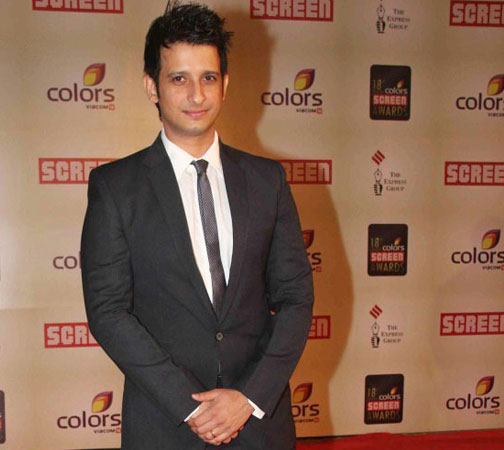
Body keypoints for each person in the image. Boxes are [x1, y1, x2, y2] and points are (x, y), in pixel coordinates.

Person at [80, 2, 314, 448]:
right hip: (165, 423)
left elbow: (296, 297)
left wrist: (249, 396)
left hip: (259, 424)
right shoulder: (115, 188)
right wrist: (190, 407)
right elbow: (108, 312)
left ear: (225, 84)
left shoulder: (267, 181)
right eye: (178, 79)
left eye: (208, 78)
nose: (196, 95)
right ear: (152, 86)